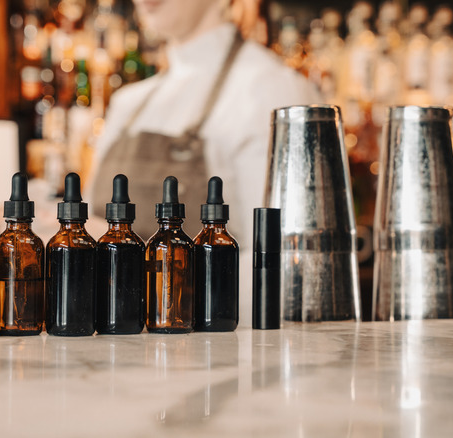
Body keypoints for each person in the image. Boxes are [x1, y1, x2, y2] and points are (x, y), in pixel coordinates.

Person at [89, 0, 321, 327]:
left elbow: (291, 278)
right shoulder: (127, 104)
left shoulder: (273, 90)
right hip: (112, 355)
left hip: (217, 362)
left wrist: (132, 261)